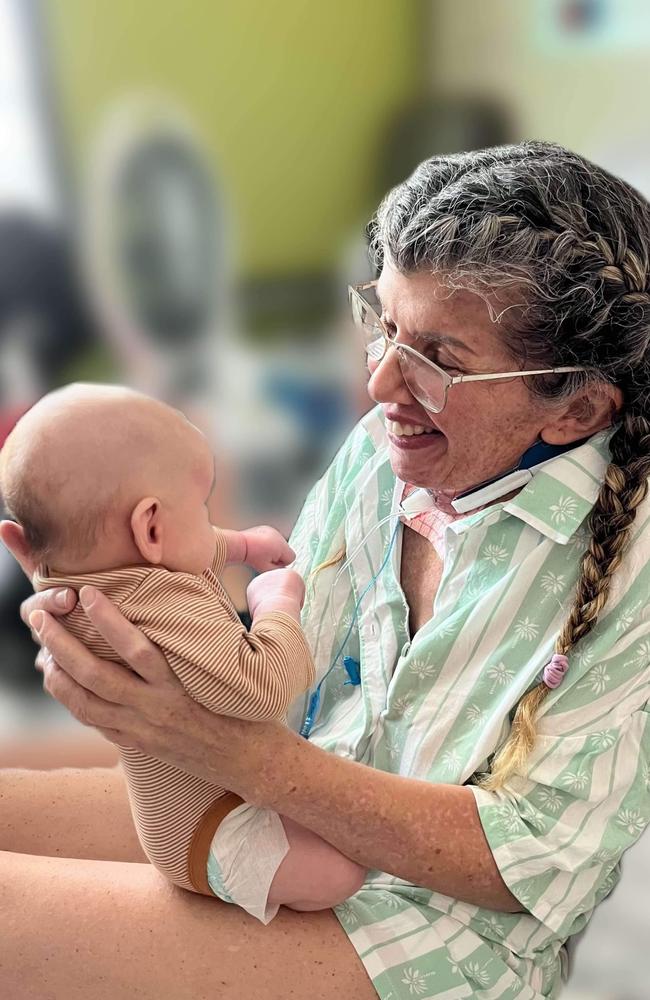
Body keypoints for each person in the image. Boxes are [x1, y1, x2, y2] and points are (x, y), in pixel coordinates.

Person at [1, 140, 649, 1000]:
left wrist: (227, 749)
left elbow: (532, 864)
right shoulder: (391, 454)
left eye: (440, 361)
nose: (380, 382)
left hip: (435, 930)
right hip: (287, 812)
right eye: (382, 324)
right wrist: (134, 682)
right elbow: (282, 685)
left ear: (577, 409)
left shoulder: (631, 564)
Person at [0, 382, 365, 920]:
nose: (208, 519)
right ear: (151, 526)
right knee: (343, 872)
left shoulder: (83, 580)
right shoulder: (160, 606)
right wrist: (276, 607)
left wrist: (238, 545)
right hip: (213, 829)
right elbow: (262, 690)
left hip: (180, 808)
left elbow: (178, 547)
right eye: (199, 504)